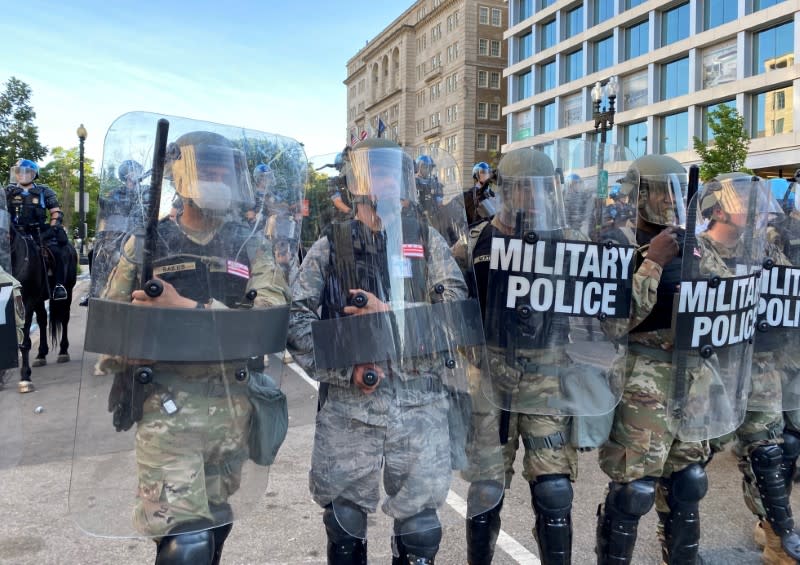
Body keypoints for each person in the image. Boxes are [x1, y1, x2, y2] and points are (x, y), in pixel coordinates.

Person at [94, 128, 291, 564]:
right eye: (206, 167)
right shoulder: (147, 242)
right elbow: (107, 323)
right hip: (168, 410)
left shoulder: (251, 243)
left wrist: (186, 306)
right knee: (187, 544)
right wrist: (132, 342)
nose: (218, 175)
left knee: (216, 525)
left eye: (224, 168)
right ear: (179, 176)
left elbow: (268, 321)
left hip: (231, 409)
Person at [287, 138, 475, 564]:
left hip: (419, 402)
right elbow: (296, 320)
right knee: (344, 523)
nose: (386, 182)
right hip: (352, 408)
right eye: (376, 172)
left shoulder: (427, 242)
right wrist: (345, 369)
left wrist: (388, 314)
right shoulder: (330, 246)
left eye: (393, 172)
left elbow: (455, 317)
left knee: (420, 530)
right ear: (356, 182)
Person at [460, 144, 633, 565]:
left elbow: (611, 312)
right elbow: (449, 300)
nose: (530, 199)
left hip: (548, 376)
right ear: (504, 190)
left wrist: (626, 269)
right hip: (490, 378)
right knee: (486, 489)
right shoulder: (475, 241)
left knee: (554, 490)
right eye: (521, 190)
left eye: (539, 190)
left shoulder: (570, 242)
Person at [595, 155, 764, 564]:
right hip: (643, 378)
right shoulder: (615, 244)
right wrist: (653, 262)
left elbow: (730, 304)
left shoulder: (694, 244)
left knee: (688, 480)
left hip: (691, 377)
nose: (669, 200)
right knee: (633, 489)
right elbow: (611, 324)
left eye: (674, 189)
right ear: (640, 195)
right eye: (659, 190)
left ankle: (683, 556)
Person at [711, 173, 800, 564]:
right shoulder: (696, 251)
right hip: (709, 369)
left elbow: (787, 292)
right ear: (720, 209)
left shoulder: (767, 250)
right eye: (746, 202)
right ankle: (674, 542)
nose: (758, 212)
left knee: (768, 455)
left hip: (760, 365)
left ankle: (778, 537)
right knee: (685, 468)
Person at [82, 159, 149, 305]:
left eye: (137, 171)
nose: (134, 174)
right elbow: (107, 213)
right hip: (119, 232)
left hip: (142, 233)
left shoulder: (147, 190)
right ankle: (95, 292)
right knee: (93, 254)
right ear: (124, 175)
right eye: (131, 171)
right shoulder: (115, 193)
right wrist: (102, 235)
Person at [6, 159, 70, 300]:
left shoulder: (45, 191)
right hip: (13, 233)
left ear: (34, 174)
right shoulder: (7, 192)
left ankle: (59, 286)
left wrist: (53, 228)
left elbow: (56, 213)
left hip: (39, 232)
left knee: (56, 251)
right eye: (18, 172)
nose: (22, 175)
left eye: (26, 172)